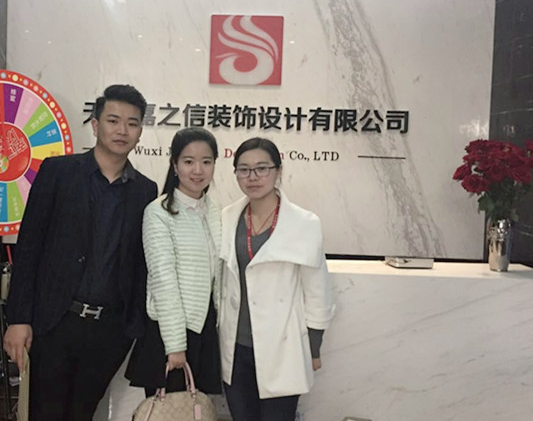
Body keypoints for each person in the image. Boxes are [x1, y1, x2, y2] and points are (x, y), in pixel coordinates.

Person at [2, 84, 158, 421]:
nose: (122, 130)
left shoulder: (146, 191)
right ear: (96, 124)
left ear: (140, 132)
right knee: (46, 413)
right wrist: (19, 318)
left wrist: (132, 328)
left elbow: (140, 264)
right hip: (55, 321)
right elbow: (29, 248)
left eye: (132, 123)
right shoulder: (58, 172)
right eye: (113, 120)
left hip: (110, 330)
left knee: (83, 413)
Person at [219, 137, 335, 421]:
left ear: (278, 171)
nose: (253, 177)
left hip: (282, 347)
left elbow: (317, 292)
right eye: (244, 170)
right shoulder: (228, 217)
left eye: (262, 168)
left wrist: (314, 348)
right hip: (235, 347)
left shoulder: (304, 223)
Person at [126, 127, 222, 396]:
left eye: (206, 161)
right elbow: (163, 281)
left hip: (205, 329)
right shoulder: (159, 212)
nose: (198, 170)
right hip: (169, 334)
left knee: (199, 411)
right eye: (188, 161)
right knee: (168, 410)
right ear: (175, 165)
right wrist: (176, 345)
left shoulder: (216, 211)